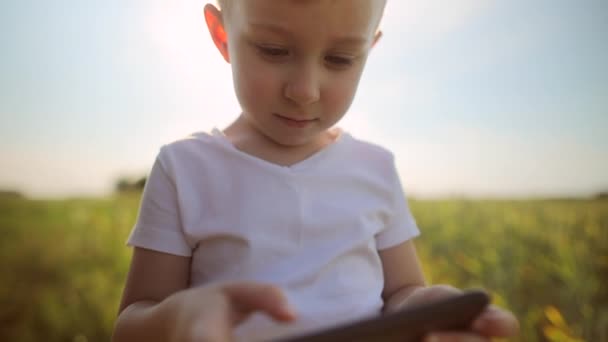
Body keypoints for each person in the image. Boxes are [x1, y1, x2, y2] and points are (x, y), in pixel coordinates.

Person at [113, 0, 520, 341]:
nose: (305, 90)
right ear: (223, 36)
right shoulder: (185, 168)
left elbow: (403, 290)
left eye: (340, 59)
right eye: (273, 49)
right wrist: (178, 317)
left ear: (368, 50)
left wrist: (425, 308)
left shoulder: (375, 167)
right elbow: (131, 322)